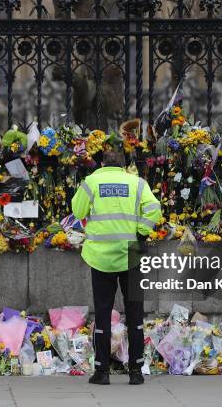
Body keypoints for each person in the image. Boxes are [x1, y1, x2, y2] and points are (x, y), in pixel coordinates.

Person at [71, 149, 161, 385]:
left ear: (101, 163)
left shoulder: (91, 182)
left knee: (102, 315)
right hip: (131, 254)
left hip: (101, 256)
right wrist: (141, 232)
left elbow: (77, 211)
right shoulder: (136, 182)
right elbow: (154, 208)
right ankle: (136, 372)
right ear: (123, 164)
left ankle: (102, 372)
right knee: (135, 315)